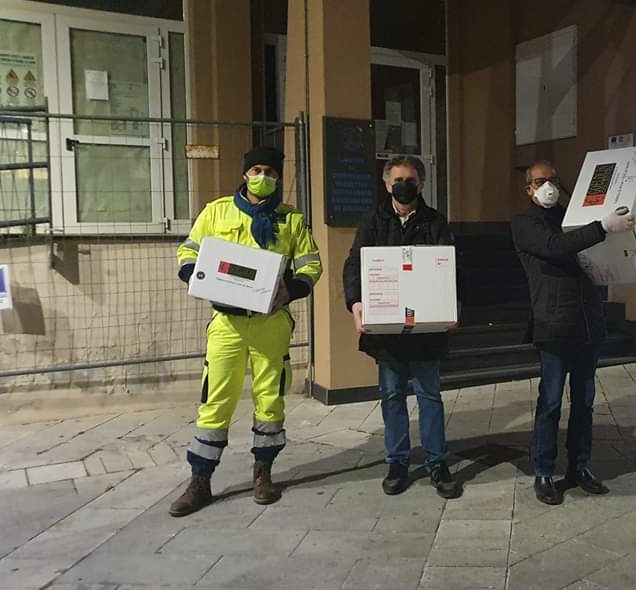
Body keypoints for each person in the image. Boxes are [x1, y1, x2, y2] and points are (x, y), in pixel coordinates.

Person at [171, 146, 322, 517]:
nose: (263, 177)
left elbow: (310, 265)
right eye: (256, 169)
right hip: (227, 324)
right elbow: (188, 252)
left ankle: (263, 472)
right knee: (215, 400)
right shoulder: (216, 212)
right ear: (244, 174)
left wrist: (293, 288)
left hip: (271, 323)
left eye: (270, 171)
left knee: (270, 400)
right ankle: (200, 480)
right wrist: (195, 277)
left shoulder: (292, 221)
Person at [511, 160, 636, 506]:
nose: (548, 186)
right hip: (553, 324)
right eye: (540, 181)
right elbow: (554, 246)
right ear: (528, 189)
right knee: (550, 402)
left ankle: (579, 467)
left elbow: (598, 253)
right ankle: (543, 470)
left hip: (586, 322)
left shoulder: (572, 216)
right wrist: (602, 226)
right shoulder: (525, 222)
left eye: (552, 179)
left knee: (584, 401)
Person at [342, 155, 462, 499]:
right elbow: (354, 266)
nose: (404, 186)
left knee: (429, 396)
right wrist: (356, 303)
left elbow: (453, 267)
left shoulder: (435, 221)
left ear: (421, 184)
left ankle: (438, 461)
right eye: (398, 180)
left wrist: (455, 304)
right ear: (386, 184)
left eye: (410, 180)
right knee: (392, 394)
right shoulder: (372, 222)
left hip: (426, 329)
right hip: (388, 330)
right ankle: (397, 460)